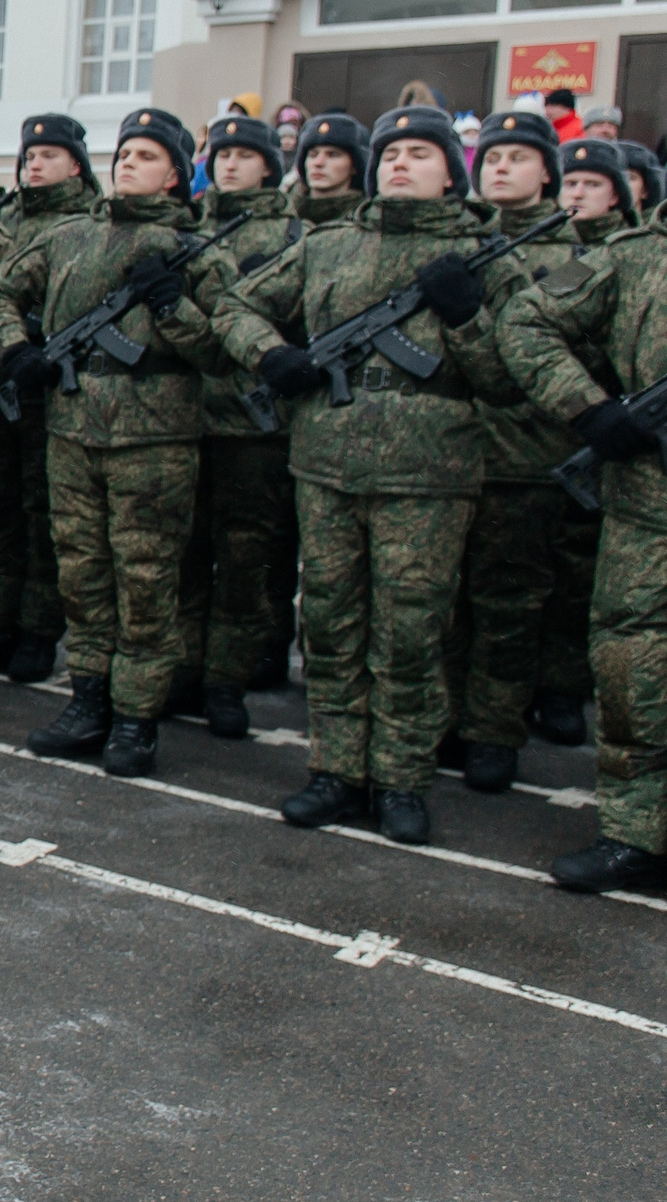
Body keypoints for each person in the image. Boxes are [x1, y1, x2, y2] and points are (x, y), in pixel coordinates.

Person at [215, 105, 529, 846]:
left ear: (452, 170)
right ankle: (336, 770)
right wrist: (269, 354)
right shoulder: (330, 245)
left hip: (429, 476)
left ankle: (402, 777)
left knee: (412, 632)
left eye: (420, 153)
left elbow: (510, 382)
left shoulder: (487, 257)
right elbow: (233, 305)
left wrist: (466, 320)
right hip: (326, 464)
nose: (399, 164)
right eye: (391, 152)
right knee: (329, 624)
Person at [0, 109, 216, 777]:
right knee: (82, 576)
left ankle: (137, 717)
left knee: (144, 581)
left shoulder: (195, 249)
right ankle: (88, 701)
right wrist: (15, 348)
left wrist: (173, 307)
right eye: (125, 154)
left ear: (175, 174)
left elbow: (228, 347)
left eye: (147, 155)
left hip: (155, 439)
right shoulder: (71, 235)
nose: (130, 164)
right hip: (73, 430)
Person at [499, 134, 667, 891]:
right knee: (631, 670)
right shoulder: (632, 257)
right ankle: (635, 834)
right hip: (645, 507)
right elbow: (526, 321)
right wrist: (592, 410)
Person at [436, 111, 604, 791]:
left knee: (509, 605)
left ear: (548, 173)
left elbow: (582, 351)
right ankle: (443, 718)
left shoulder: (575, 257)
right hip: (448, 454)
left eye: (518, 156)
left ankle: (494, 730)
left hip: (526, 459)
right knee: (442, 605)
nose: (500, 165)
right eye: (492, 155)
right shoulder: (454, 242)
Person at [0, 114, 94, 683]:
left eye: (49, 155)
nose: (34, 164)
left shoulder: (88, 222)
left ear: (76, 166)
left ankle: (39, 631)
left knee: (44, 515)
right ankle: (2, 623)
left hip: (57, 390)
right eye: (29, 155)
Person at [178, 113, 306, 737]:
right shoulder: (186, 226)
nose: (228, 164)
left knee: (244, 558)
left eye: (243, 155)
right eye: (220, 154)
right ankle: (183, 667)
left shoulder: (292, 234)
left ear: (269, 166)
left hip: (254, 423)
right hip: (185, 415)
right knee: (183, 553)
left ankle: (226, 679)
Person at [292, 111, 367, 223]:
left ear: (354, 166)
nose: (318, 163)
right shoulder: (283, 215)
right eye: (313, 155)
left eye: (333, 155)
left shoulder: (364, 220)